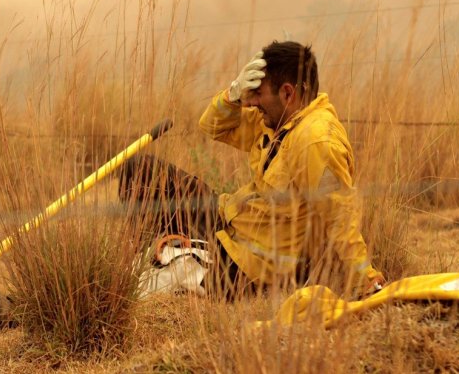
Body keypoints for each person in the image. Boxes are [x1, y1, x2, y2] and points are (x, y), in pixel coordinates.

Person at [119, 40, 385, 299]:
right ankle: (160, 247)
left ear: (288, 93)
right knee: (139, 170)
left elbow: (339, 216)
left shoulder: (316, 140)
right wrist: (233, 95)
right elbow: (212, 126)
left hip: (252, 264)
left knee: (149, 277)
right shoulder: (275, 119)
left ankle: (169, 255)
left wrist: (366, 278)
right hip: (230, 220)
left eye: (258, 93)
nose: (252, 102)